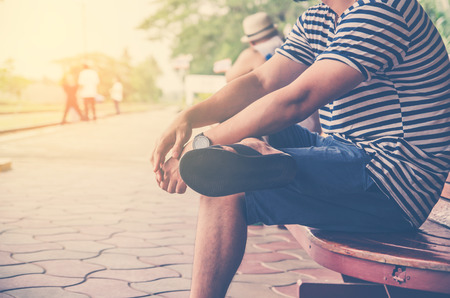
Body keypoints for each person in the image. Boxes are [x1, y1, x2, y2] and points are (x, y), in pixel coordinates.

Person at [151, 0, 450, 297]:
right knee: (236, 126)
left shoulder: (381, 10)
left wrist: (201, 146)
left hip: (392, 180)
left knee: (226, 183)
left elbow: (297, 100)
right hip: (343, 151)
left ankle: (254, 155)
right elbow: (261, 81)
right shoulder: (320, 17)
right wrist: (188, 118)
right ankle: (256, 151)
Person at [226, 11, 321, 134]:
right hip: (311, 124)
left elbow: (229, 78)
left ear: (251, 42)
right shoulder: (296, 46)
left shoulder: (253, 53)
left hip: (283, 128)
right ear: (275, 31)